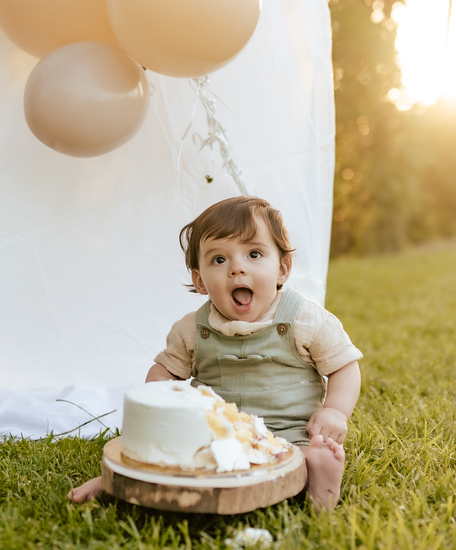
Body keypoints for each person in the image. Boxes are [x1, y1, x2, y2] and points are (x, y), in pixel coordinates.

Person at [69, 196, 362, 510]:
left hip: (290, 433)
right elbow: (166, 370)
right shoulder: (191, 329)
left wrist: (335, 411)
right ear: (199, 281)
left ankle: (321, 480)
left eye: (254, 254)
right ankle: (117, 480)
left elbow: (344, 366)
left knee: (300, 458)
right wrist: (159, 389)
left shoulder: (305, 318)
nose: (237, 268)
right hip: (215, 436)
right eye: (219, 260)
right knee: (170, 455)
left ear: (282, 268)